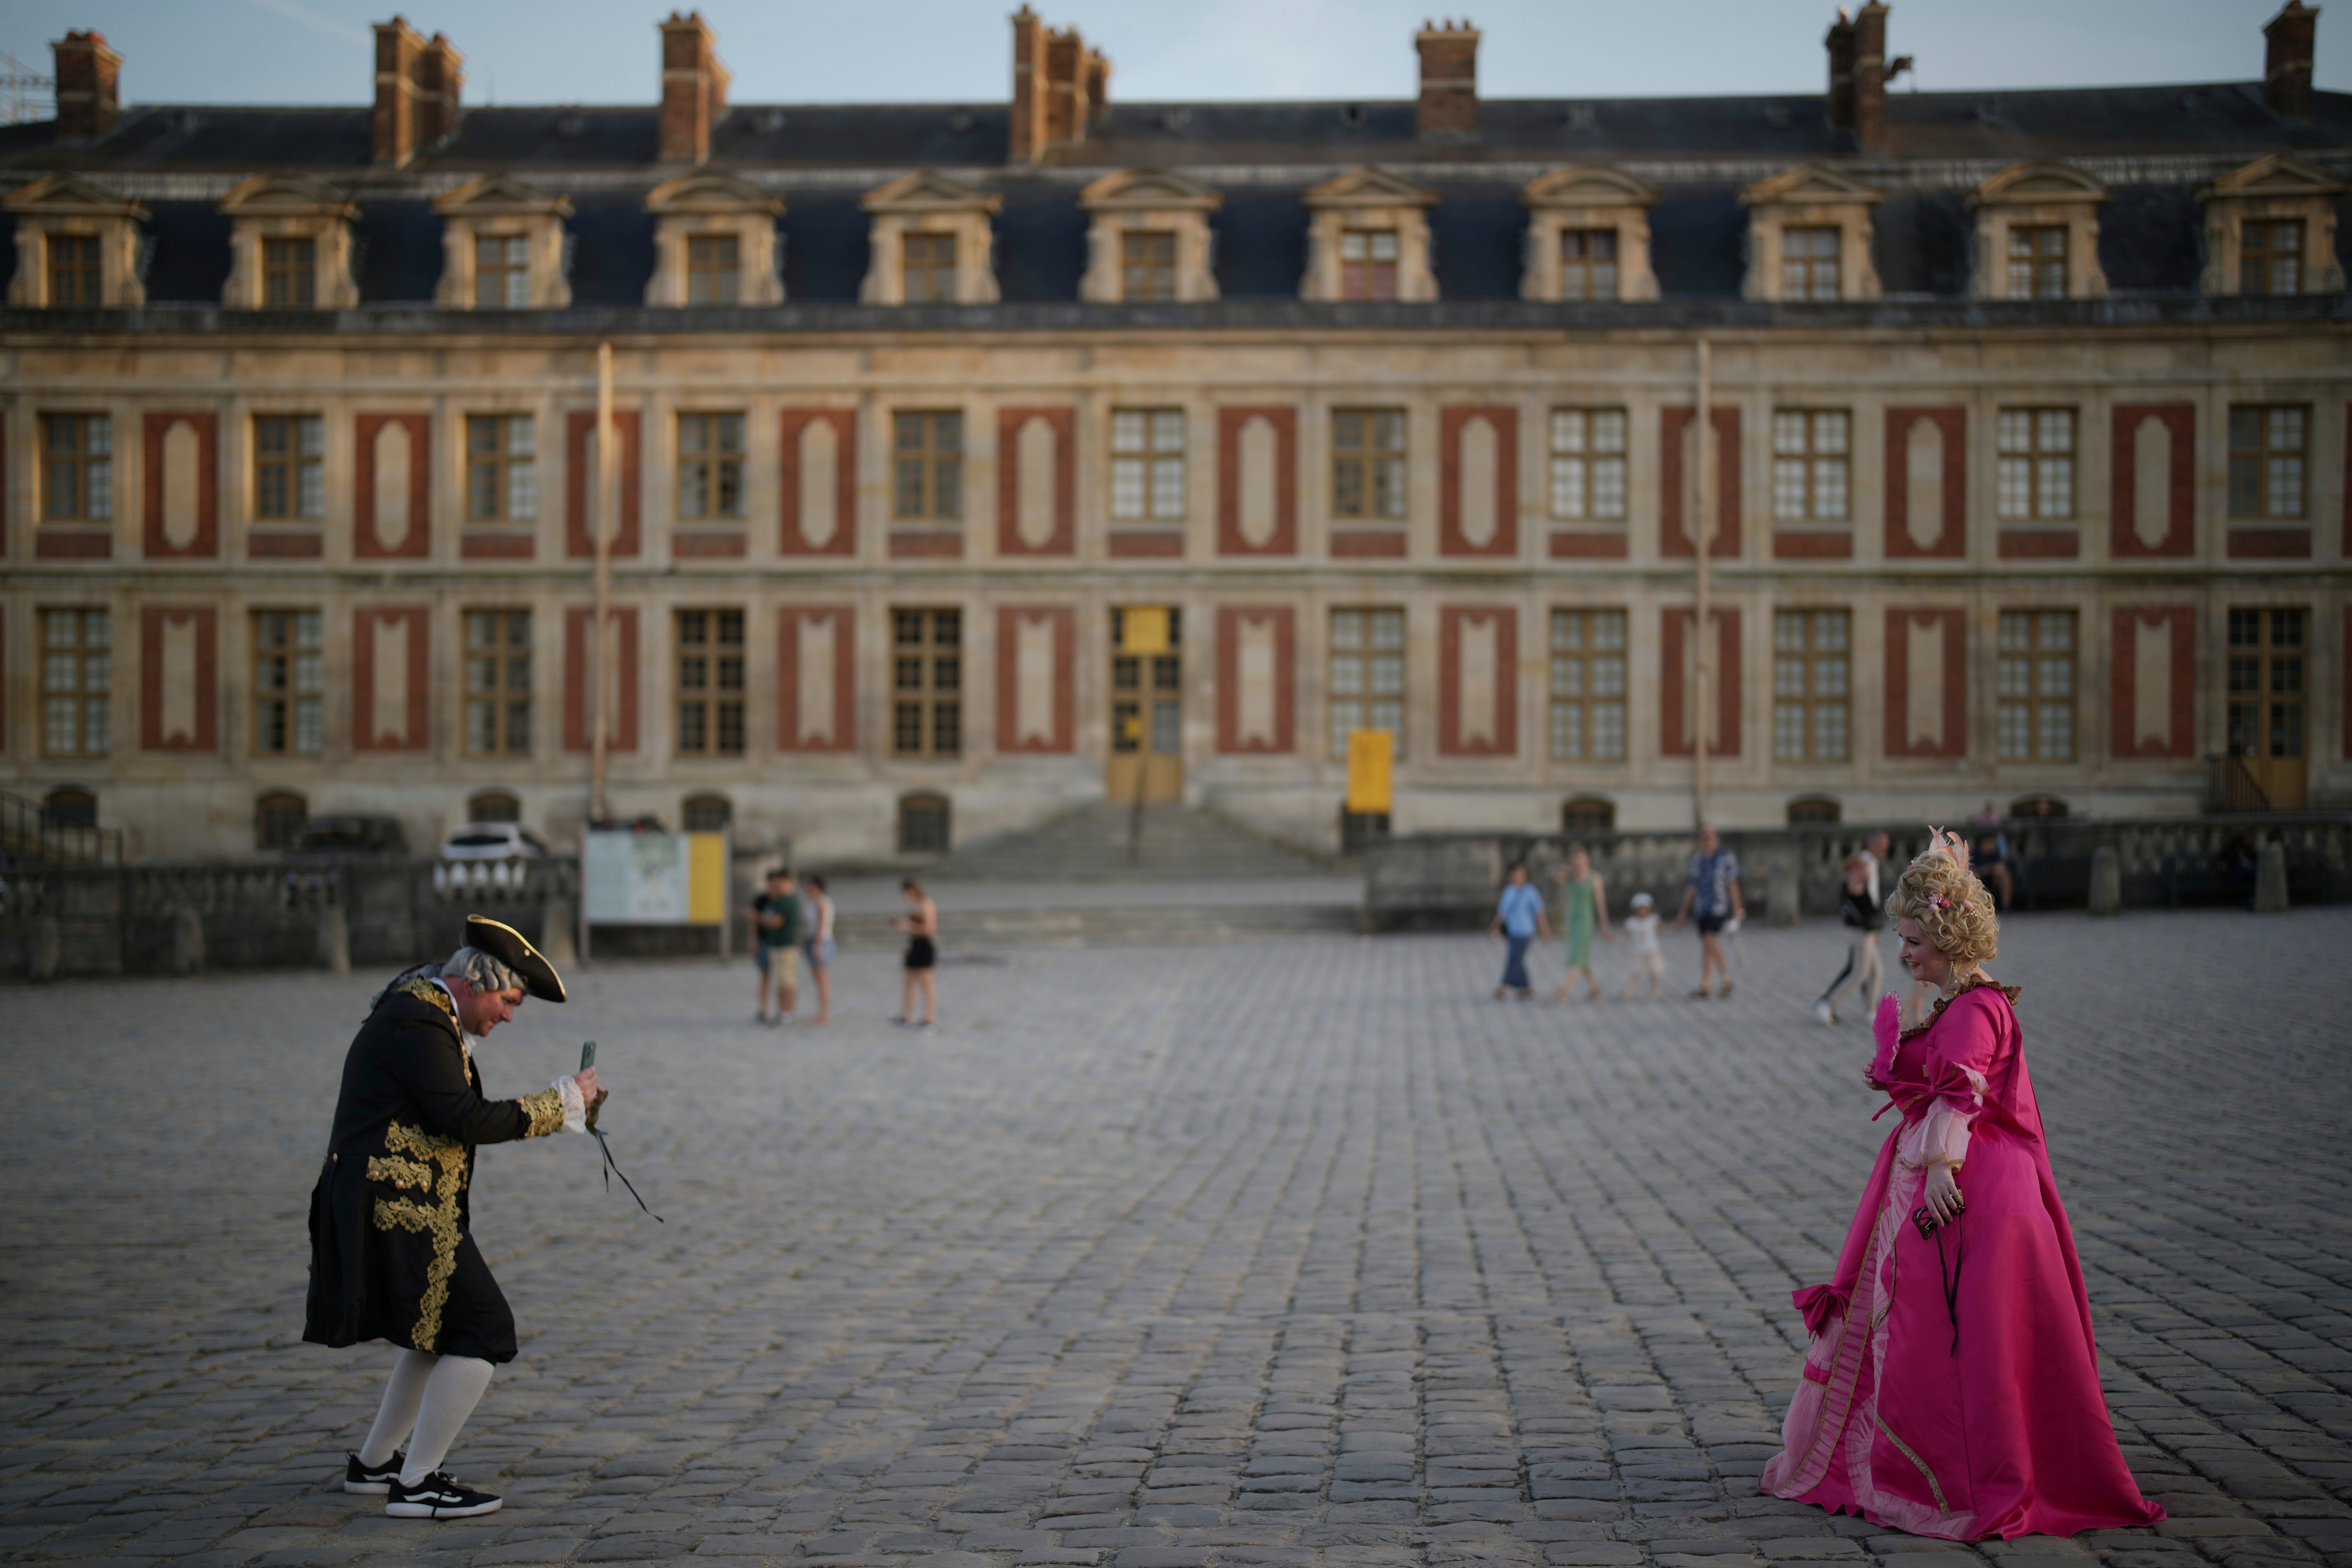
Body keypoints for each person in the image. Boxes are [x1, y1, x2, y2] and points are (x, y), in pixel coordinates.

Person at [1758, 832, 2165, 1541]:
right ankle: (1977, 1454)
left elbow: (1961, 1092)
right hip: (1977, 1180)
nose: (1905, 950)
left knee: (1949, 1335)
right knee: (1975, 1339)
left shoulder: (1974, 1009)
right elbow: (1939, 1076)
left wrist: (1942, 1168)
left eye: (1913, 938)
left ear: (1946, 934)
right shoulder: (1965, 998)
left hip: (1971, 1191)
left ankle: (1951, 1465)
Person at [304, 916, 602, 1521]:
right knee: (485, 1330)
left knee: (438, 1332)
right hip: (395, 1205)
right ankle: (416, 1484)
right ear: (474, 984)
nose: (510, 1016)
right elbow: (463, 1118)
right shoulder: (419, 1020)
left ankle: (375, 1466)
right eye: (509, 1000)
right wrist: (560, 1102)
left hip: (401, 1202)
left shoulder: (420, 1012)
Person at [1668, 823, 1743, 1000]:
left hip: (1719, 905)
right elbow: (1691, 887)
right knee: (1707, 946)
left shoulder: (1726, 856)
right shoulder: (1698, 860)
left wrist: (1738, 909)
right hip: (1702, 907)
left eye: (1710, 834)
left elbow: (1733, 884)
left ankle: (1726, 978)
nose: (1707, 838)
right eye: (1704, 835)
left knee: (1711, 939)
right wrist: (1683, 912)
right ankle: (1706, 984)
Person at [1814, 852, 1884, 1025]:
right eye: (1860, 868)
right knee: (1860, 973)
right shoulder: (1853, 884)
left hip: (1866, 933)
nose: (1864, 871)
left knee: (1876, 971)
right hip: (1859, 933)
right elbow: (1860, 896)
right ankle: (1829, 1003)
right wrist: (1865, 875)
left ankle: (1870, 1010)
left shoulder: (1858, 883)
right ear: (1853, 869)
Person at [1551, 849, 1611, 1003]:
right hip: (1572, 919)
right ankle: (1596, 989)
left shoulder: (1595, 878)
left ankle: (1565, 991)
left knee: (1576, 955)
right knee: (1582, 957)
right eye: (1575, 859)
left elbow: (1600, 903)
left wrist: (1605, 925)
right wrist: (1565, 869)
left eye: (1581, 859)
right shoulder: (1570, 877)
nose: (1578, 863)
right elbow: (1556, 877)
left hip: (1585, 920)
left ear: (1587, 860)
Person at [1486, 863, 1549, 1000]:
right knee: (1518, 960)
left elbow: (1539, 912)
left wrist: (1545, 929)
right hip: (1513, 931)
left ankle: (1504, 987)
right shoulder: (1508, 891)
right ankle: (1526, 988)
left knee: (1514, 959)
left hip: (1526, 931)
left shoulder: (1530, 891)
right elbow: (1502, 913)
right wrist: (1493, 927)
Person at [747, 868, 803, 1025]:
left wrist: (757, 917)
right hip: (775, 945)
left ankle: (787, 1012)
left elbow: (776, 923)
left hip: (785, 946)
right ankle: (780, 1011)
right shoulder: (776, 900)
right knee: (779, 980)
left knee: (787, 981)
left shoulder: (788, 901)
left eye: (778, 881)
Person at [894, 877, 938, 1026]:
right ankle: (906, 1015)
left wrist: (908, 926)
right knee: (909, 982)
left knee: (927, 983)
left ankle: (928, 1017)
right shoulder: (916, 905)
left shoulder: (927, 904)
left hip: (924, 945)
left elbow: (929, 930)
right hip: (914, 945)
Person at [802, 873, 835, 1026]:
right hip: (813, 940)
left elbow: (821, 927)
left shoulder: (822, 903)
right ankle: (822, 1011)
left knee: (822, 979)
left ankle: (824, 1013)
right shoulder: (814, 902)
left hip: (821, 941)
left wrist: (817, 945)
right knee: (818, 979)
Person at [1618, 892, 1664, 1001]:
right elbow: (1623, 932)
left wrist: (1676, 926)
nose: (1642, 911)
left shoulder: (1653, 920)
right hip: (1638, 951)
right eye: (1640, 909)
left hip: (1652, 951)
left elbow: (1664, 929)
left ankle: (1654, 992)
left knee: (1653, 973)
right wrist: (1611, 937)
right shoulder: (1632, 922)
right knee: (1635, 972)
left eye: (1645, 908)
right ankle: (1629, 991)